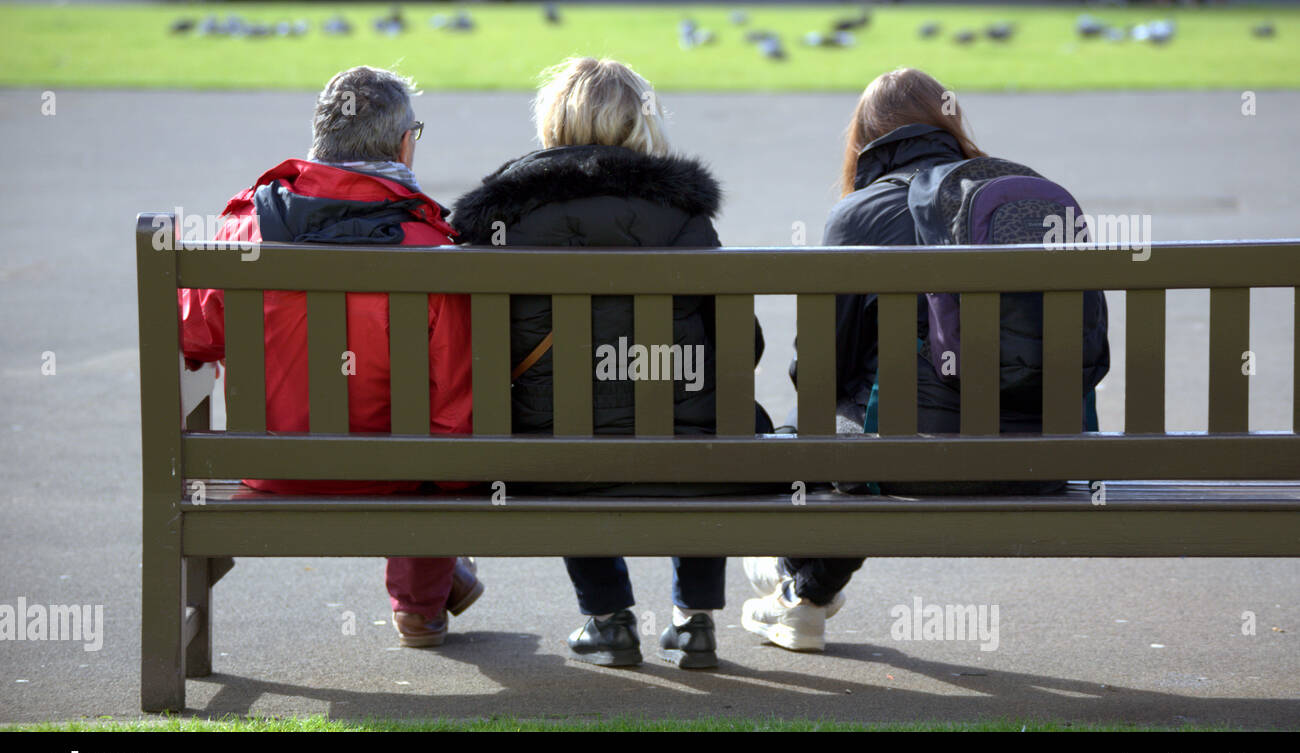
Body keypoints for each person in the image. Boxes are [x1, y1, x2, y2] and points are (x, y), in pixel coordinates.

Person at [743, 67, 1109, 652]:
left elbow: (817, 374)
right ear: (948, 120)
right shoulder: (1026, 192)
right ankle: (801, 599)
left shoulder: (861, 213)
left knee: (813, 433)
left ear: (865, 137)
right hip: (1051, 458)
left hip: (917, 462)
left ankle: (794, 575)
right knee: (867, 426)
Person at [451, 57, 771, 669]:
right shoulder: (683, 213)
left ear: (553, 121)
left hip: (540, 458)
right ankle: (694, 619)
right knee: (712, 417)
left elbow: (469, 350)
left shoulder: (499, 217)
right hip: (695, 452)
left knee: (561, 419)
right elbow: (741, 349)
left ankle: (607, 619)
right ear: (638, 125)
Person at [177, 66, 482, 649]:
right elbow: (454, 411)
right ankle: (419, 606)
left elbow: (192, 338)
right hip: (393, 476)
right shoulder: (434, 252)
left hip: (269, 465)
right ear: (402, 143)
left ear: (321, 139)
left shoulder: (242, 234)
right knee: (438, 448)